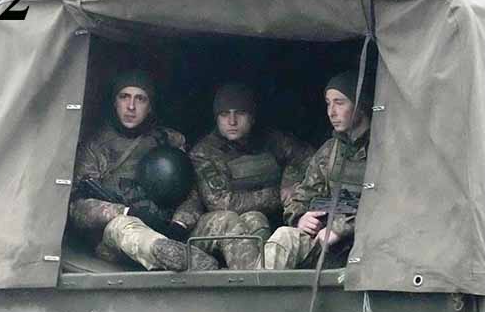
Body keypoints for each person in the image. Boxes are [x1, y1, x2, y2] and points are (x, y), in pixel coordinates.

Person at [69, 70, 218, 271]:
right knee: (124, 227)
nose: (131, 106)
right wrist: (126, 212)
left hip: (171, 229)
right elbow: (78, 208)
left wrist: (179, 225)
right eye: (124, 97)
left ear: (150, 106)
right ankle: (171, 254)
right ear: (115, 103)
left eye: (140, 99)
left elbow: (193, 192)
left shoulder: (169, 141)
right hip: (119, 239)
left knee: (225, 220)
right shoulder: (95, 147)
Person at [188, 83, 313, 269]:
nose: (232, 121)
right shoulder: (205, 152)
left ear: (252, 117)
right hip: (218, 229)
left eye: (240, 113)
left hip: (262, 223)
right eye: (224, 114)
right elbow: (223, 203)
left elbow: (308, 158)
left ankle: (262, 272)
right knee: (246, 219)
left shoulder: (271, 141)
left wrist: (290, 180)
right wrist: (278, 194)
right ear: (216, 118)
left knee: (256, 219)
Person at [261, 71, 371, 269]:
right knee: (284, 237)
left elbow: (392, 204)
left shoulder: (385, 149)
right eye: (328, 103)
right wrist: (301, 218)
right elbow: (301, 198)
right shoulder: (329, 151)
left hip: (372, 249)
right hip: (331, 249)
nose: (331, 112)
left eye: (339, 103)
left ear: (360, 105)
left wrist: (340, 228)